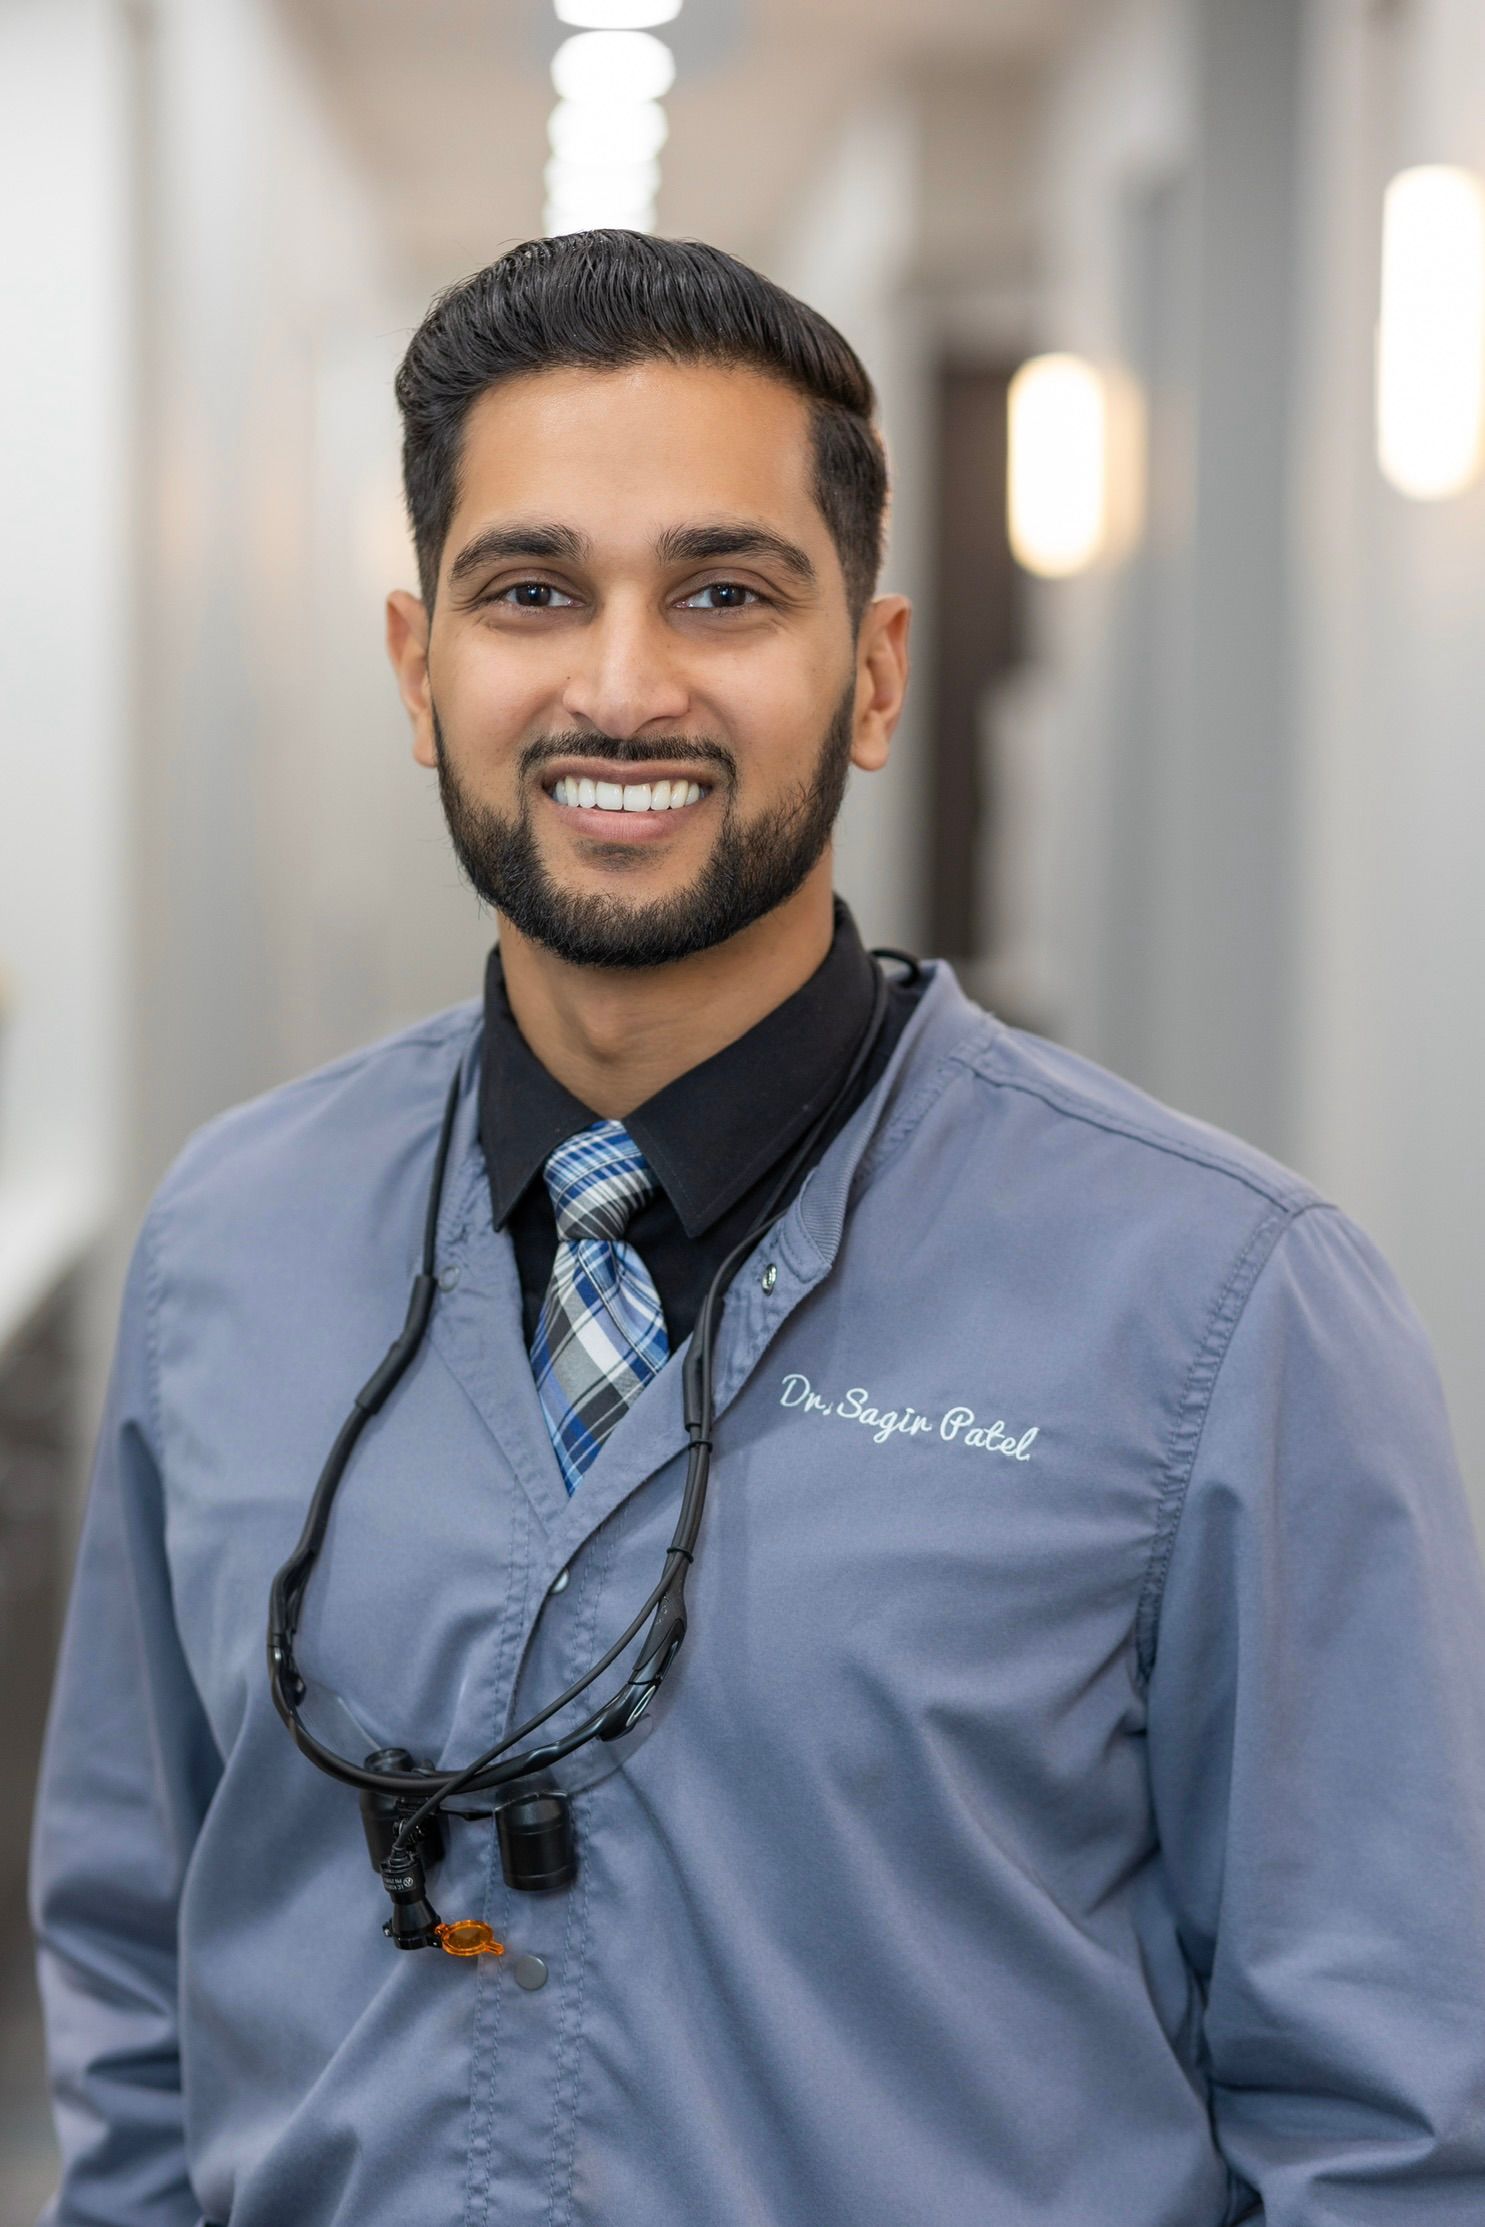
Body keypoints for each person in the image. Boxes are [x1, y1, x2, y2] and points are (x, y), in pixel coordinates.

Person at [30, 230, 1485, 2227]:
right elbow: (132, 1972)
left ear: (871, 672)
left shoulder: (1219, 1308)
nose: (621, 686)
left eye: (723, 592)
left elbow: (1389, 2130)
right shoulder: (231, 1254)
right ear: (418, 664)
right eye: (530, 592)